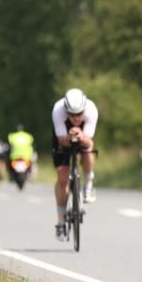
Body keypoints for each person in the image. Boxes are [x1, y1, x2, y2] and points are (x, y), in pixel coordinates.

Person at [51, 88, 99, 239]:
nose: (76, 118)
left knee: (88, 150)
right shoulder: (58, 110)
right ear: (66, 110)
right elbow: (61, 140)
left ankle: (88, 187)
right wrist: (69, 137)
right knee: (63, 179)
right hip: (63, 135)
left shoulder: (91, 110)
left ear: (84, 109)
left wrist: (81, 136)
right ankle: (60, 222)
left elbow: (89, 141)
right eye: (72, 114)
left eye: (79, 114)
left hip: (84, 134)